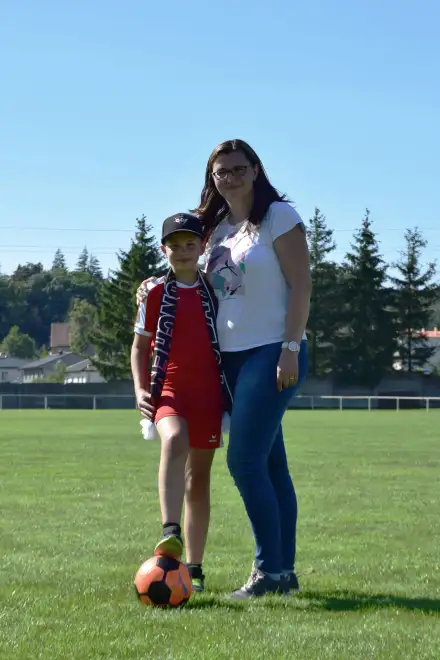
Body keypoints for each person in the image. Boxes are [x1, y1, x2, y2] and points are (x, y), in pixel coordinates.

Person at [137, 138, 311, 599]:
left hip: (271, 351)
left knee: (244, 460)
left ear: (255, 170)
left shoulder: (278, 217)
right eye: (221, 172)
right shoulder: (215, 228)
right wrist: (151, 284)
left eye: (238, 168)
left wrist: (291, 347)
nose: (230, 177)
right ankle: (284, 573)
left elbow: (302, 286)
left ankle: (268, 572)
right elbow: (187, 266)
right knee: (272, 465)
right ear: (212, 178)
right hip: (228, 359)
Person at [131, 212, 232, 593]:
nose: (183, 251)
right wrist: (140, 390)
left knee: (199, 480)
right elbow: (139, 347)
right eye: (175, 246)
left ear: (202, 247)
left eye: (190, 244)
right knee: (173, 438)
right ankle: (170, 531)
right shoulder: (154, 292)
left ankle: (195, 568)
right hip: (168, 388)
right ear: (164, 250)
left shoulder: (216, 290)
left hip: (209, 394)